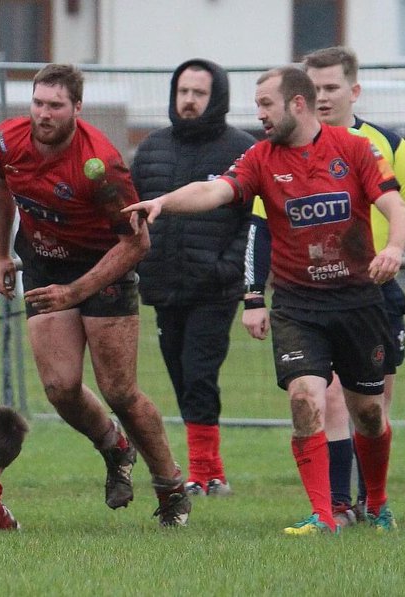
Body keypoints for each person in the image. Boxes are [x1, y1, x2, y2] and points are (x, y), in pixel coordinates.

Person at [125, 66, 405, 535]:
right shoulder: (260, 157)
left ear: (297, 103)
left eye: (265, 105)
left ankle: (376, 501)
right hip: (298, 304)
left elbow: (395, 208)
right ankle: (323, 516)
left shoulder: (356, 149)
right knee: (304, 399)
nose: (258, 115)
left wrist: (395, 248)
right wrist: (163, 202)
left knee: (369, 414)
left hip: (358, 301)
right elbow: (213, 190)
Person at [0, 63, 191, 526]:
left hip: (103, 268)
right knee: (59, 388)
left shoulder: (101, 165)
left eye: (55, 106)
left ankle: (171, 487)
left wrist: (76, 291)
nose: (44, 114)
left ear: (76, 108)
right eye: (38, 103)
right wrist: (0, 253)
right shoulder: (6, 140)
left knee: (119, 390)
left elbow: (137, 242)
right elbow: (1, 184)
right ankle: (115, 448)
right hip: (42, 262)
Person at [263, 46, 405, 527]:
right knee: (323, 397)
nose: (322, 97)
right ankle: (335, 507)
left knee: (371, 406)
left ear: (353, 90)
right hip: (312, 295)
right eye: (314, 88)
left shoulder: (383, 143)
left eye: (331, 88)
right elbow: (260, 227)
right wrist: (250, 295)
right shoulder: (282, 152)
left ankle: (372, 503)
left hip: (375, 293)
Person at [130, 59, 256, 498]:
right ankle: (209, 470)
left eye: (198, 93)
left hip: (214, 288)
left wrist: (228, 268)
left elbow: (254, 220)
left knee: (200, 373)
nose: (189, 100)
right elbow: (131, 213)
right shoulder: (151, 149)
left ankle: (204, 473)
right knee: (180, 374)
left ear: (215, 97)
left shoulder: (241, 148)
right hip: (164, 284)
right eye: (183, 91)